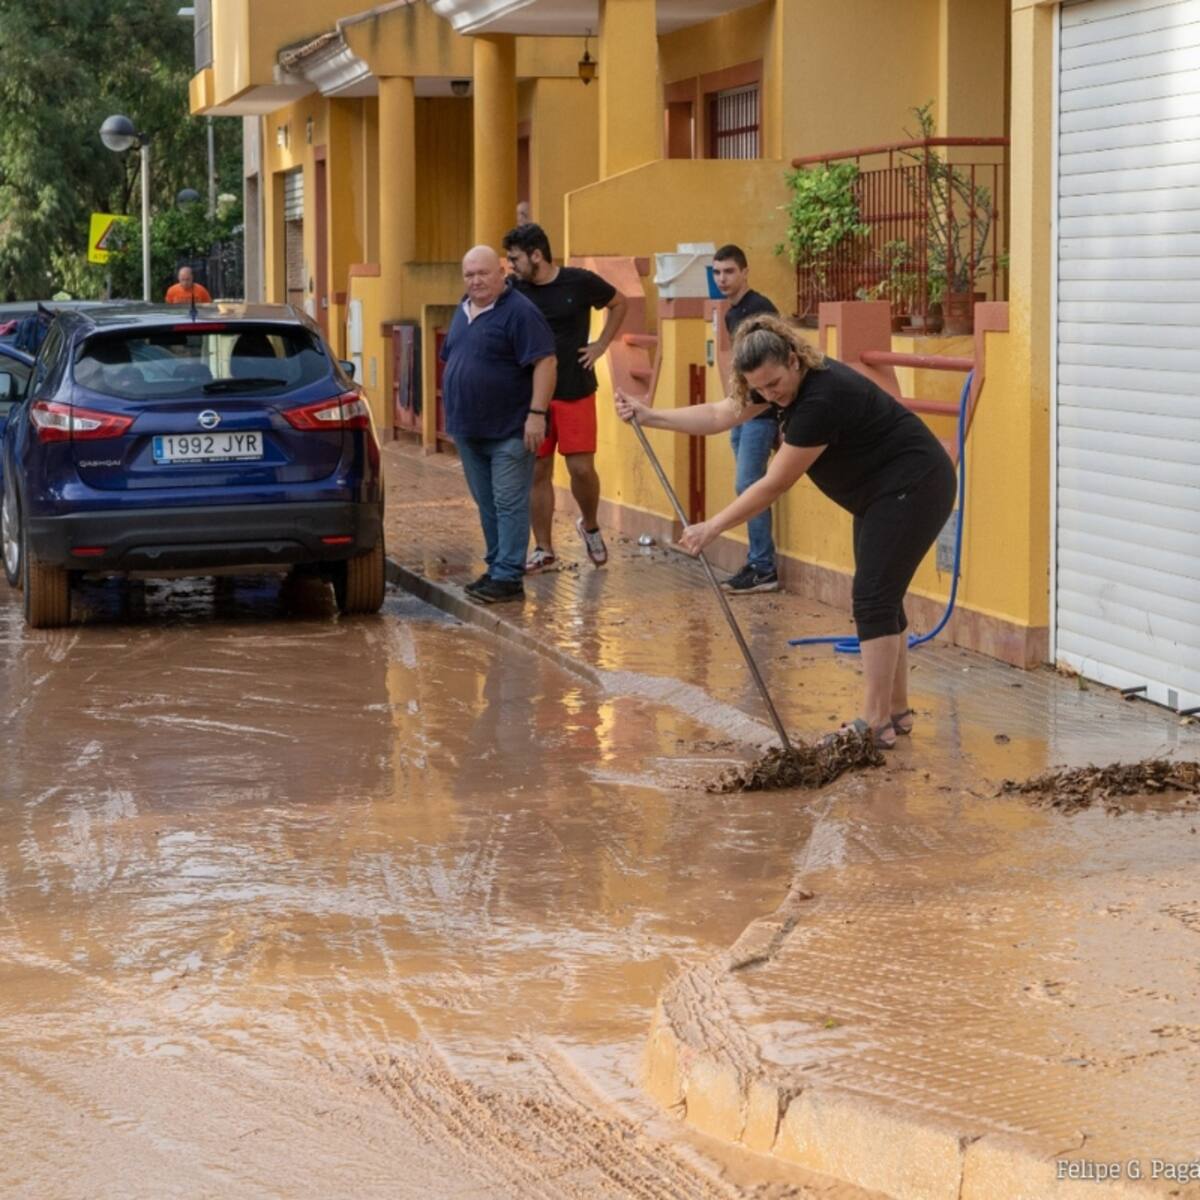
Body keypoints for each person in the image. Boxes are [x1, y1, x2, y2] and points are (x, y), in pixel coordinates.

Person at [615, 314, 956, 749]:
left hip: (914, 484)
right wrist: (651, 415)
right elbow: (721, 414)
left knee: (872, 597)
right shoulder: (778, 388)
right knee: (881, 596)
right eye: (759, 389)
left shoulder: (821, 398)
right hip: (882, 493)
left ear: (794, 360)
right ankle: (895, 712)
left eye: (774, 384)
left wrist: (713, 526)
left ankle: (873, 723)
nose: (768, 395)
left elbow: (774, 482)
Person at [503, 223, 627, 572]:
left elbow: (620, 303)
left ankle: (589, 525)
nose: (511, 265)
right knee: (538, 470)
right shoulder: (514, 289)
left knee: (581, 469)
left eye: (515, 258)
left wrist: (601, 345)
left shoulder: (579, 281)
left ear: (536, 255)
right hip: (532, 399)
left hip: (575, 390)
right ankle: (543, 548)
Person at [440, 246, 557, 604]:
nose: (476, 280)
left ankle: (508, 576)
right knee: (486, 502)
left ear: (502, 272)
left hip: (509, 428)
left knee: (509, 502)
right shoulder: (463, 310)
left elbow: (546, 362)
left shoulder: (520, 312)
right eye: (469, 274)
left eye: (483, 273)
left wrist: (536, 414)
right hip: (468, 428)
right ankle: (495, 567)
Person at [711, 244, 781, 594]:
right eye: (717, 272)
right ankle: (758, 561)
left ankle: (763, 566)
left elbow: (778, 358)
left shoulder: (760, 309)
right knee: (746, 486)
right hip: (742, 411)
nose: (722, 279)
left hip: (761, 413)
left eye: (729, 272)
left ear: (745, 272)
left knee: (749, 486)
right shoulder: (731, 314)